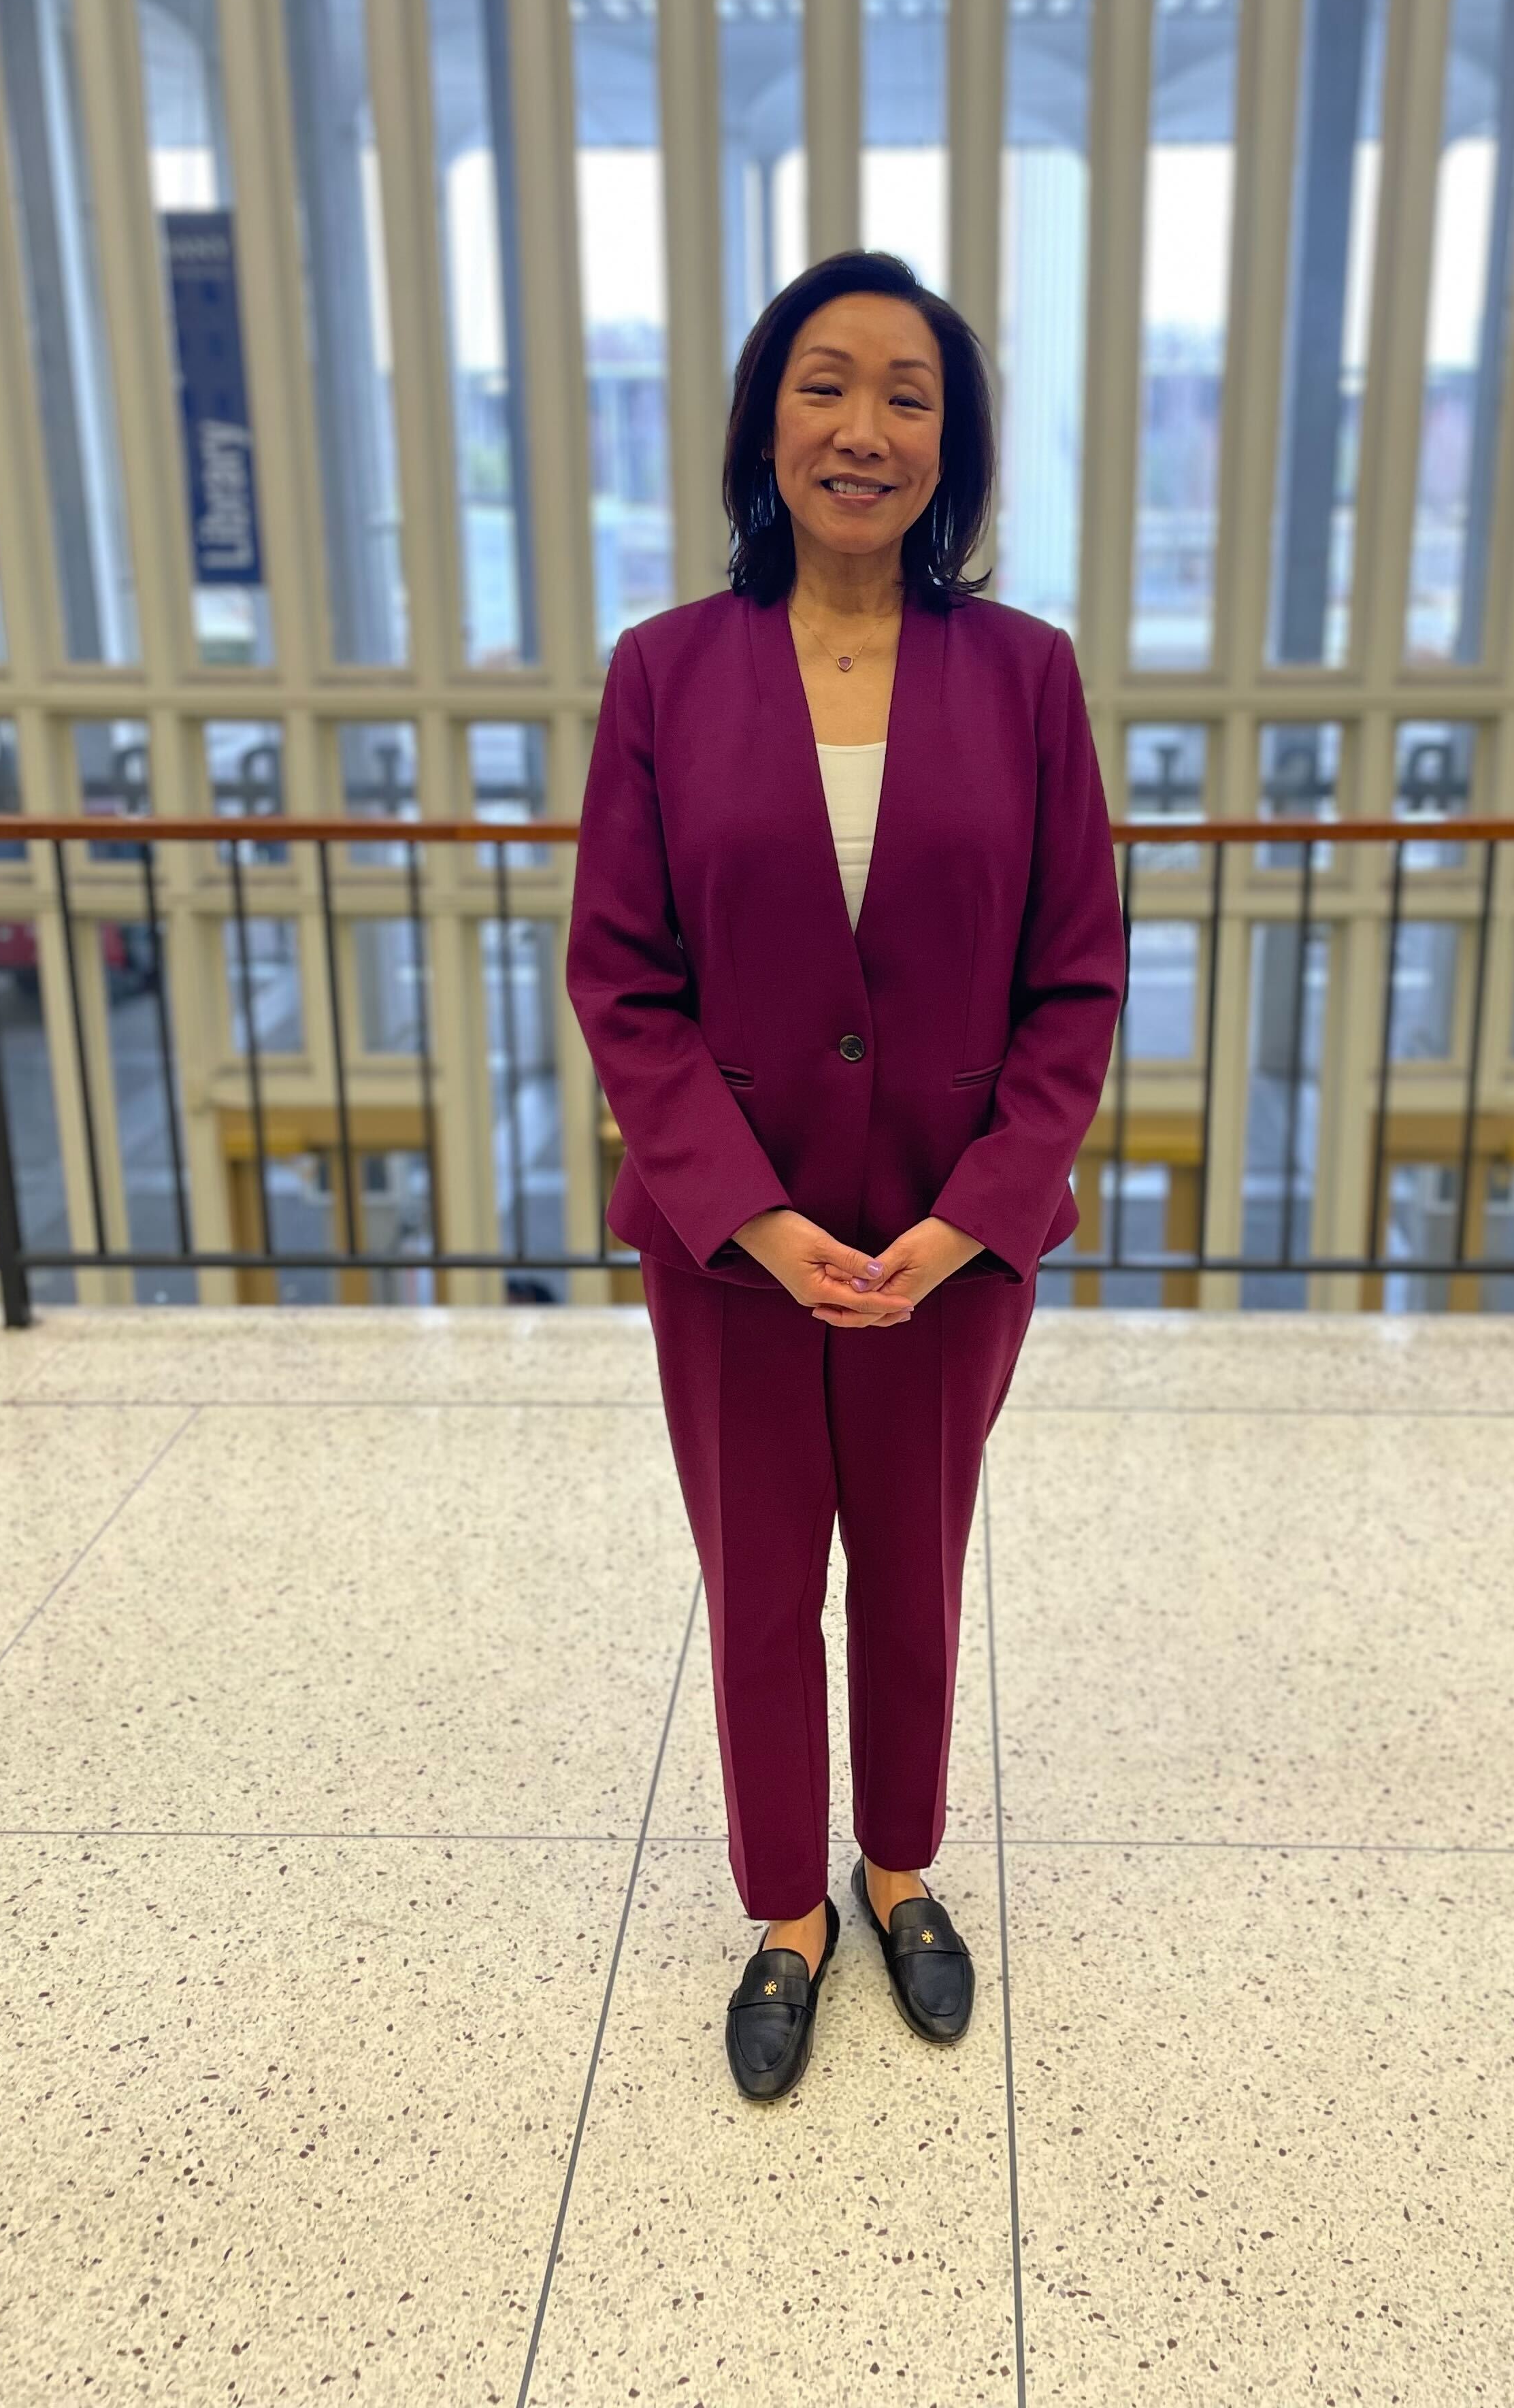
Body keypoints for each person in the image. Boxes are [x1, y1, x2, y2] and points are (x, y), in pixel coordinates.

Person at [565, 250, 1126, 2101]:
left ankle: (897, 1868)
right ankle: (783, 1909)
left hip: (948, 1250)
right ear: (764, 421)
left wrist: (979, 1213)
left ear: (949, 441)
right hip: (735, 1245)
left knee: (914, 1563)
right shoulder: (665, 674)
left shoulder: (1028, 678)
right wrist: (755, 1213)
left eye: (907, 392)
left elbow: (1076, 979)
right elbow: (625, 982)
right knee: (754, 1577)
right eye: (824, 384)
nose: (861, 428)